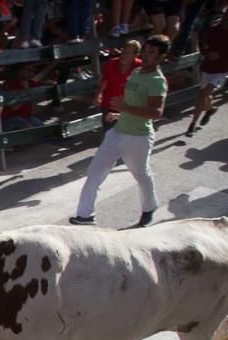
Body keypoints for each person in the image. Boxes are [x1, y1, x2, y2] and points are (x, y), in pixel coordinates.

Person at [70, 35, 170, 228]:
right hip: (117, 132)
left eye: (152, 52)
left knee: (141, 174)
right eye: (146, 50)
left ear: (161, 57)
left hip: (138, 137)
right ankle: (85, 216)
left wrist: (124, 110)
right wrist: (120, 116)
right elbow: (132, 103)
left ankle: (149, 208)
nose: (147, 55)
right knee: (95, 172)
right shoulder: (137, 72)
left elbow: (156, 113)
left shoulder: (157, 81)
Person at [186, 14, 227, 137]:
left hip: (223, 70)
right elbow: (203, 44)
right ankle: (210, 109)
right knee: (205, 95)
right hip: (208, 67)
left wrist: (221, 56)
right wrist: (208, 52)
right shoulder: (213, 29)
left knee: (203, 94)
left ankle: (192, 125)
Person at [96, 39, 141, 129]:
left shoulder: (140, 67)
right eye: (123, 52)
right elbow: (104, 80)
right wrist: (99, 94)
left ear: (135, 55)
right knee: (109, 135)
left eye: (127, 53)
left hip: (128, 107)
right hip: (109, 105)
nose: (123, 55)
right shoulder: (112, 63)